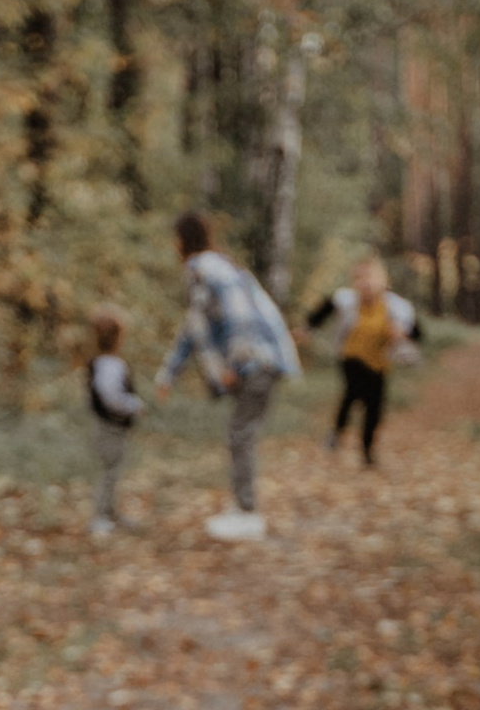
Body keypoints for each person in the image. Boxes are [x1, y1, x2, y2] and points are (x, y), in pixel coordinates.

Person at [154, 209, 300, 541]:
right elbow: (193, 331)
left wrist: (235, 364)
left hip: (255, 362)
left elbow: (241, 317)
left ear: (181, 240)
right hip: (259, 360)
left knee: (241, 435)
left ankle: (248, 514)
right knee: (239, 435)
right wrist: (169, 373)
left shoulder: (204, 269)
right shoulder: (212, 267)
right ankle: (242, 508)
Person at [306, 255, 422, 464]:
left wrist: (402, 334)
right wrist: (307, 328)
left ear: (382, 280)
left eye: (369, 278)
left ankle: (367, 450)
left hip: (379, 362)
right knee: (353, 392)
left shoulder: (396, 306)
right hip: (351, 356)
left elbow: (418, 333)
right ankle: (337, 432)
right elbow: (322, 312)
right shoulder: (347, 299)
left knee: (374, 406)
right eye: (359, 278)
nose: (365, 283)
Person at [86, 307, 141, 536]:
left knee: (112, 470)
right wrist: (134, 406)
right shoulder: (111, 365)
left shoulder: (100, 363)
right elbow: (111, 396)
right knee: (109, 471)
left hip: (107, 424)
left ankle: (109, 512)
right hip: (111, 425)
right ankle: (100, 516)